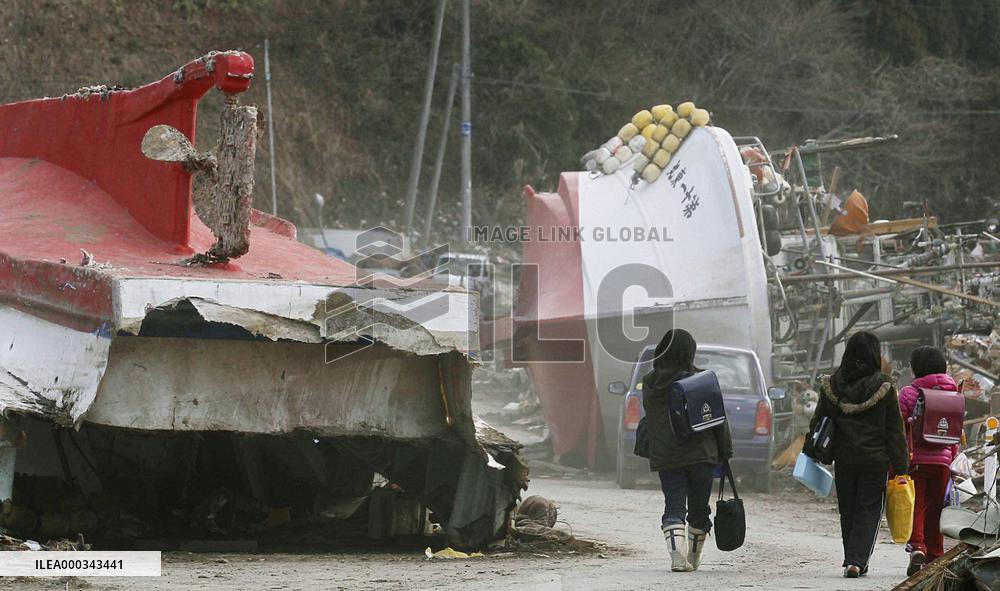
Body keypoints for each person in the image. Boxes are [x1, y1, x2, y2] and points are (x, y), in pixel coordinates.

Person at [803, 331, 908, 578]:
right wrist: (901, 465)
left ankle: (851, 558)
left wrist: (811, 451)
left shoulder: (833, 384)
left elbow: (819, 422)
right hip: (875, 460)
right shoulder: (884, 385)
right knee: (869, 510)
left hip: (844, 458)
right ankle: (856, 561)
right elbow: (894, 429)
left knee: (848, 509)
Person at [642, 328, 733, 572]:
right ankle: (693, 557)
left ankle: (677, 557)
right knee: (699, 508)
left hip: (666, 456)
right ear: (689, 352)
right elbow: (718, 420)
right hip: (701, 455)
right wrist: (726, 451)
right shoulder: (701, 380)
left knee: (673, 505)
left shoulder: (650, 384)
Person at [897, 346, 960, 576]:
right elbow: (955, 431)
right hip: (942, 462)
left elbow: (899, 426)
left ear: (916, 368)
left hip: (915, 460)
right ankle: (935, 554)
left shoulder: (908, 393)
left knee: (916, 506)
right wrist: (952, 459)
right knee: (936, 509)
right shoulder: (954, 392)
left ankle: (917, 547)